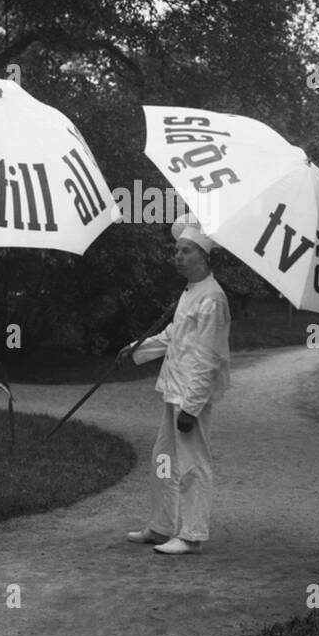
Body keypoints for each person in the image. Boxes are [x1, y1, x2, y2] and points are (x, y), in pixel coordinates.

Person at [120, 214, 232, 555]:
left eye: (185, 251)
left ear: (203, 257)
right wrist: (138, 349)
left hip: (189, 397)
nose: (177, 257)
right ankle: (161, 526)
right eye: (176, 250)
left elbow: (209, 357)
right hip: (174, 389)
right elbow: (175, 336)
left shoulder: (212, 298)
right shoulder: (192, 292)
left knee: (193, 463)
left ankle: (193, 534)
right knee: (162, 459)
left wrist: (192, 407)